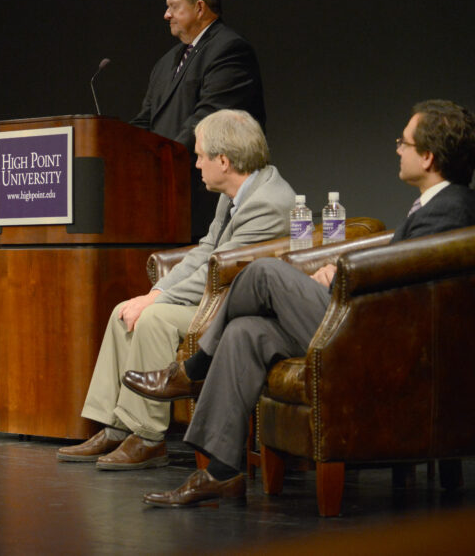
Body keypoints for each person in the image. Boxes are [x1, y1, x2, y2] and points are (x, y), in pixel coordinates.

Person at [126, 99, 475, 508]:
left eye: (405, 142)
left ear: (429, 156)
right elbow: (402, 274)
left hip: (379, 342)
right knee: (245, 333)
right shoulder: (438, 208)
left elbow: (408, 290)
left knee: (261, 272)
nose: (398, 148)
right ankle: (221, 473)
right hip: (361, 322)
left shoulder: (450, 212)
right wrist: (341, 270)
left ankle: (192, 369)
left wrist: (347, 272)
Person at [56, 109, 295, 469]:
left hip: (235, 306)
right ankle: (116, 427)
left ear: (225, 161)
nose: (196, 164)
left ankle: (148, 437)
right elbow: (206, 250)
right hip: (214, 296)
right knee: (124, 311)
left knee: (153, 319)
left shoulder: (268, 203)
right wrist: (156, 291)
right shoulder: (234, 193)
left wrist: (158, 299)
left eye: (200, 156)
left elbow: (222, 270)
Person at [131, 0, 265, 239]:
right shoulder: (165, 63)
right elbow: (146, 119)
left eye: (173, 6)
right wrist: (119, 149)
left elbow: (208, 120)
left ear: (199, 7)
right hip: (165, 197)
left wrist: (163, 160)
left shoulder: (229, 50)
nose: (166, 15)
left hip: (205, 197)